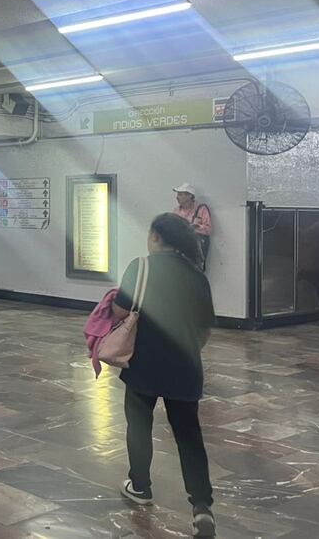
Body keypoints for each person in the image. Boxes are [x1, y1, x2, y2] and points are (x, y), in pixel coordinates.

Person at [111, 213, 216, 538]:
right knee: (189, 437)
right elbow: (205, 326)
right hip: (185, 367)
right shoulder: (197, 275)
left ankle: (140, 486)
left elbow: (119, 312)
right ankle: (201, 507)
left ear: (156, 237)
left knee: (139, 426)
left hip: (143, 363)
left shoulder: (140, 267)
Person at [172, 184, 212, 271]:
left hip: (195, 252)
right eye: (177, 194)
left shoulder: (201, 209)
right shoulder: (176, 212)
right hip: (179, 251)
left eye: (180, 194)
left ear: (189, 196)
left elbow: (208, 230)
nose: (177, 197)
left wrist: (195, 228)